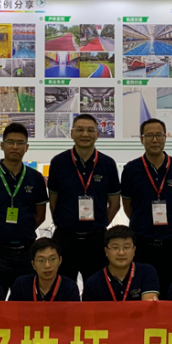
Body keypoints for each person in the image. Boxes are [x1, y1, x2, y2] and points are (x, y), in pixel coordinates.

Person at [0, 122, 48, 289]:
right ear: (2, 146)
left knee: (25, 300)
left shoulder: (35, 178)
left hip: (26, 253)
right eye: (10, 142)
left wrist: (23, 229)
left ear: (26, 147)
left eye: (20, 143)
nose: (15, 147)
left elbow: (41, 215)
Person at [47, 113, 120, 283]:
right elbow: (53, 201)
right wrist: (64, 222)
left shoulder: (107, 164)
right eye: (80, 130)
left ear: (97, 134)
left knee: (98, 290)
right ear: (72, 133)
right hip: (65, 238)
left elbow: (115, 204)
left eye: (90, 130)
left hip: (96, 240)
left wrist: (99, 224)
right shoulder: (58, 162)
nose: (85, 134)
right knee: (63, 290)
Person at [120, 118, 172, 299]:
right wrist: (143, 220)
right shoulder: (131, 169)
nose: (154, 140)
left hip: (169, 244)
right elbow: (128, 206)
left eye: (159, 135)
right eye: (149, 135)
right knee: (139, 293)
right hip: (141, 244)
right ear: (142, 139)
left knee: (168, 293)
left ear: (165, 137)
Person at [82, 224, 160, 301]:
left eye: (126, 247)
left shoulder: (146, 272)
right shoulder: (93, 282)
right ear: (106, 251)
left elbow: (148, 305)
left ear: (134, 250)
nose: (121, 253)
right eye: (115, 248)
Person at [9, 237, 82, 301]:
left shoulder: (70, 288)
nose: (47, 265)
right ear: (33, 264)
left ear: (60, 261)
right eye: (41, 260)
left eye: (52, 259)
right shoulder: (21, 285)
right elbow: (10, 311)